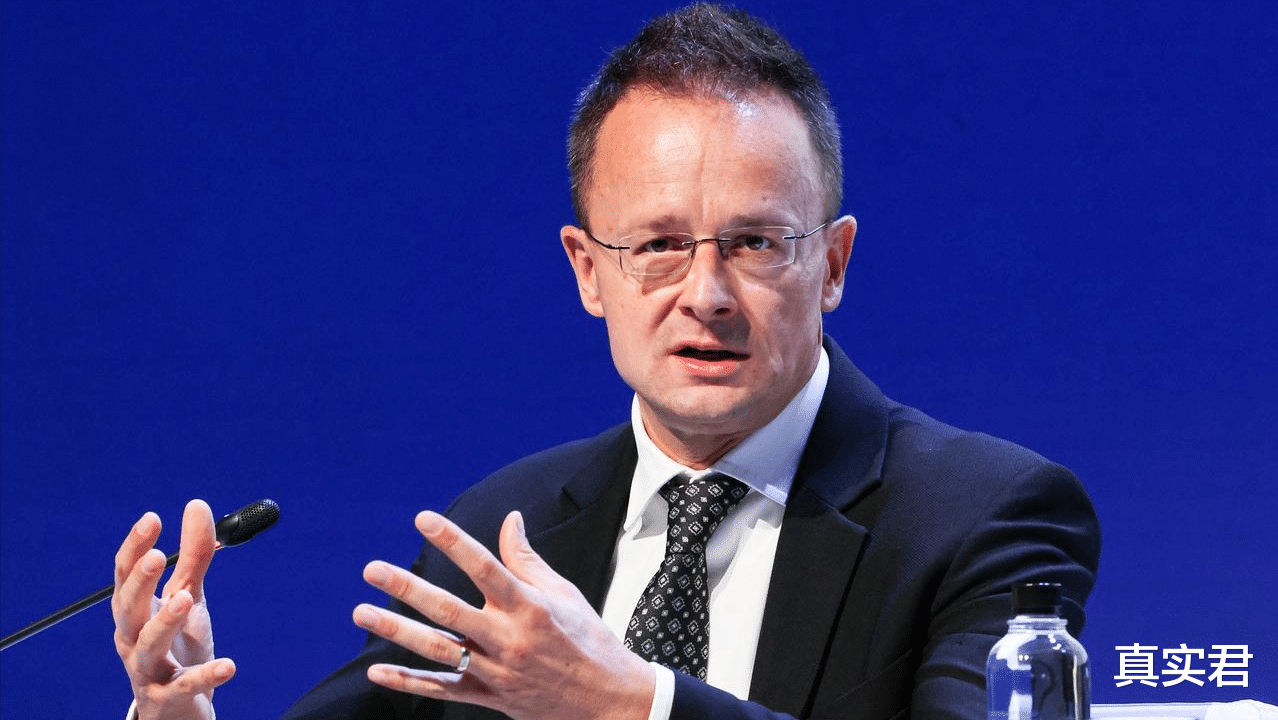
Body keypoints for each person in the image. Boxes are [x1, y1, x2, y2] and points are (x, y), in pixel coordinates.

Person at [112, 4, 1100, 720]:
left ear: (832, 265)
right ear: (589, 272)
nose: (706, 293)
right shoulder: (504, 530)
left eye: (755, 243)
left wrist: (634, 704)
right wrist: (179, 709)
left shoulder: (985, 515)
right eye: (659, 246)